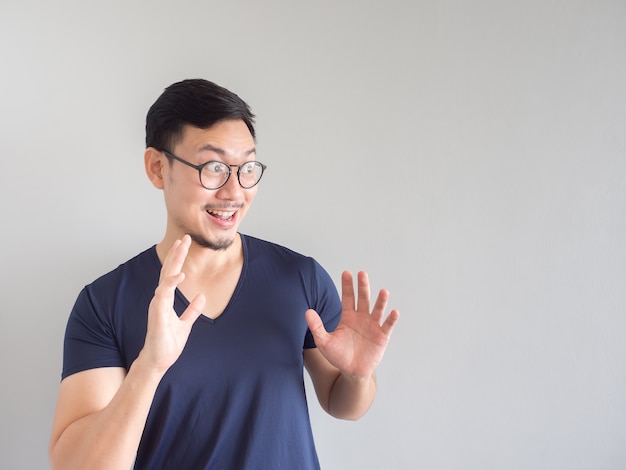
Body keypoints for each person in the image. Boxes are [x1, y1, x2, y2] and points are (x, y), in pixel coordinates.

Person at [49, 78, 400, 470]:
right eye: (213, 167)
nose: (234, 191)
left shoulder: (300, 278)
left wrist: (356, 377)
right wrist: (149, 368)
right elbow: (78, 466)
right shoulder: (103, 303)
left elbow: (342, 404)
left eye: (247, 167)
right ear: (157, 168)